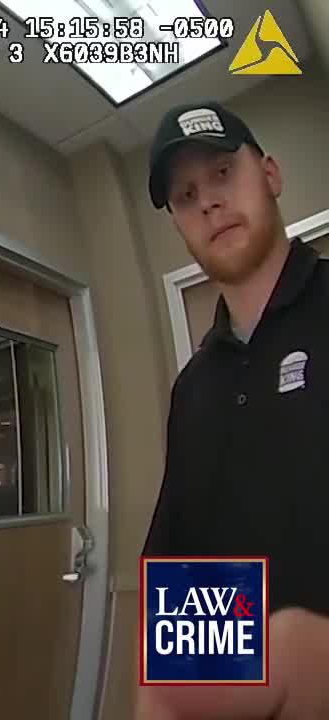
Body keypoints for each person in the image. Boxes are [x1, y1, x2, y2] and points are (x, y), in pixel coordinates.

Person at [137, 102, 329, 719]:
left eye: (223, 173)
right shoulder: (193, 389)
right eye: (186, 195)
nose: (209, 203)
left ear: (270, 174)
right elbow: (184, 571)